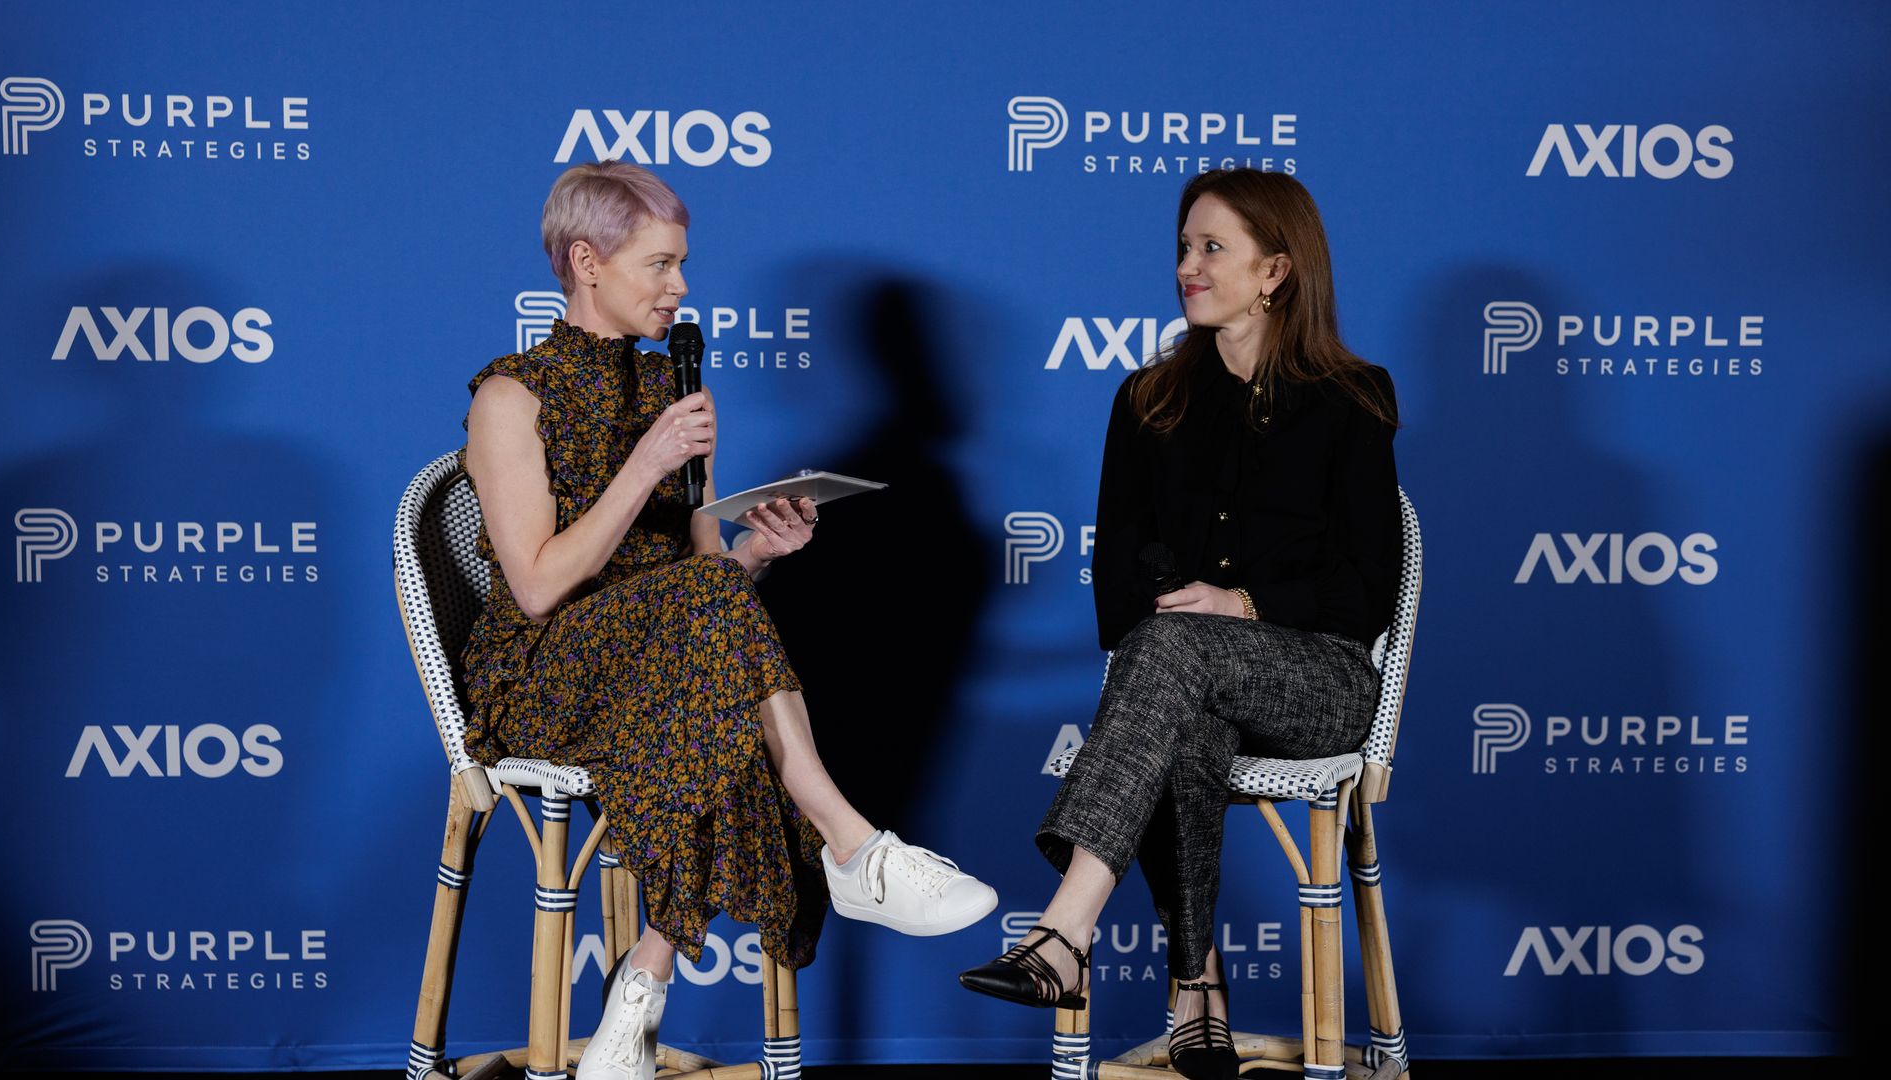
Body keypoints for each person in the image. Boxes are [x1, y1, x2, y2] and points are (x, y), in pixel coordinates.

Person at [460, 161, 997, 1080]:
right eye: (660, 266)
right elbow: (540, 587)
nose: (680, 288)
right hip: (546, 676)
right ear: (587, 263)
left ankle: (643, 983)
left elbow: (702, 577)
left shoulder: (676, 388)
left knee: (715, 660)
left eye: (683, 266)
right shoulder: (510, 398)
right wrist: (646, 465)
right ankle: (853, 846)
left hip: (661, 661)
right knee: (720, 683)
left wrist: (753, 554)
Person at [958, 169, 1401, 1080]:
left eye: (1212, 250)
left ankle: (1067, 931)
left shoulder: (1353, 396)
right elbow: (1119, 586)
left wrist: (1245, 604)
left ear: (1276, 270)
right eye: (1183, 247)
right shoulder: (1147, 401)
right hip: (1182, 674)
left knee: (1169, 657)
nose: (1186, 268)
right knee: (1177, 705)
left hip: (1319, 680)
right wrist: (1179, 609)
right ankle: (1195, 986)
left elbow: (1370, 588)